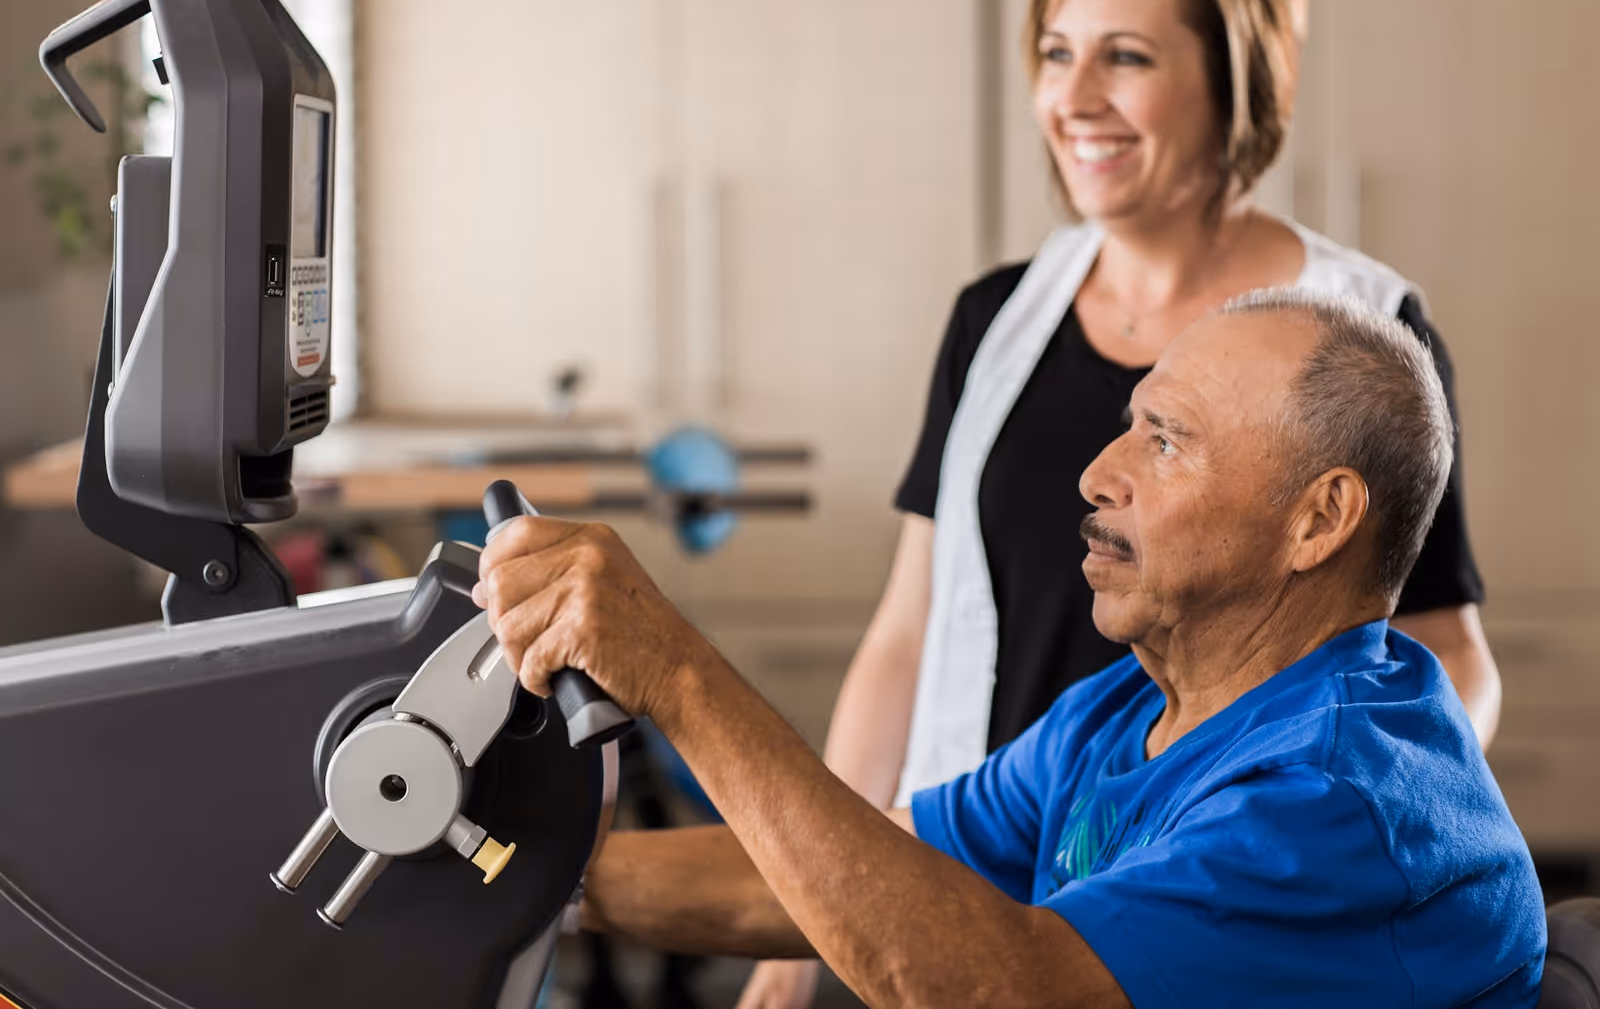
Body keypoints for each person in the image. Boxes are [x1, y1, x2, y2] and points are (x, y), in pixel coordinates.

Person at [744, 0, 1499, 1000]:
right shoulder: (994, 320)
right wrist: (799, 923)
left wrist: (1334, 847)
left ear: (1234, 80)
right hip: (971, 864)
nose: (1074, 97)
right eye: (1056, 53)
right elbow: (906, 632)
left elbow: (1440, 654)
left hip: (1192, 902)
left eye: (1126, 57)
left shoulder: (1358, 334)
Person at [475, 292, 1544, 1008]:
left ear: (1319, 520)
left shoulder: (1335, 798)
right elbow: (853, 868)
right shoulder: (1125, 712)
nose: (1097, 471)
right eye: (1131, 423)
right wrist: (501, 867)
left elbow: (998, 987)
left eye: (1166, 439)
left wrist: (677, 670)